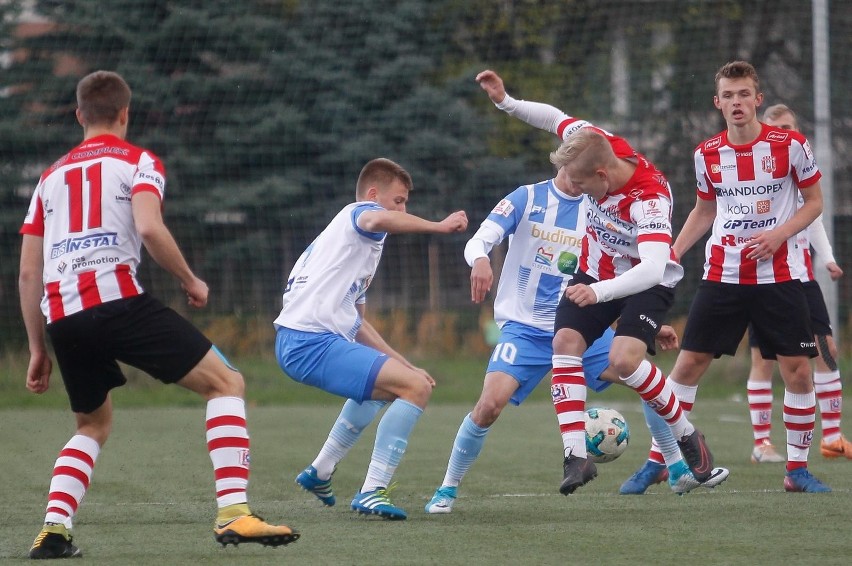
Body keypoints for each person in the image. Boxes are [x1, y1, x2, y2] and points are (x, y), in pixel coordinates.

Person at [19, 71, 298, 560]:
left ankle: (54, 530)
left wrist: (38, 348)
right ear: (125, 114)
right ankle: (234, 511)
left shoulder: (48, 179)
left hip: (63, 316)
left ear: (79, 114)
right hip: (118, 301)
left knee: (91, 426)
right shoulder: (138, 161)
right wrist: (190, 280)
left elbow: (28, 273)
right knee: (225, 382)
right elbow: (148, 226)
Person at [423, 161, 727, 513]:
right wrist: (479, 260)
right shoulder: (527, 198)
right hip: (525, 330)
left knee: (636, 371)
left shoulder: (597, 206)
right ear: (563, 161)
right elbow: (480, 239)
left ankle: (675, 468)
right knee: (489, 406)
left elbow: (619, 268)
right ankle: (446, 489)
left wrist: (647, 325)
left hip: (582, 328)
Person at [474, 70, 720, 496]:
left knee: (625, 360)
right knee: (565, 342)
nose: (575, 190)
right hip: (595, 271)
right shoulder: (592, 143)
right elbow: (555, 118)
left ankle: (686, 434)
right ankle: (575, 457)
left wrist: (600, 293)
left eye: (582, 184)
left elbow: (651, 268)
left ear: (604, 176)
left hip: (646, 279)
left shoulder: (650, 199)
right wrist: (506, 102)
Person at [626, 61, 830, 493]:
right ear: (717, 103)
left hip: (780, 277)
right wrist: (672, 253)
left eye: (744, 95)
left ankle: (796, 471)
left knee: (797, 372)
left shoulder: (791, 145)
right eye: (728, 96)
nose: (737, 103)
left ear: (757, 99)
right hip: (723, 275)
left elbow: (814, 203)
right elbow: (705, 210)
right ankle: (660, 460)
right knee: (685, 368)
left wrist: (778, 234)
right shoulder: (706, 153)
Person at [275, 158, 468, 520]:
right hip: (309, 342)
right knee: (416, 390)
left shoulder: (352, 252)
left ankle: (321, 471)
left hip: (304, 341)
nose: (403, 209)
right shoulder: (359, 214)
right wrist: (437, 226)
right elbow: (378, 218)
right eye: (399, 201)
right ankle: (372, 491)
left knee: (402, 384)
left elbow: (358, 326)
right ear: (374, 194)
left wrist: (406, 365)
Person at [745, 104, 849, 463]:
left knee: (827, 351)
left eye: (789, 126)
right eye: (777, 127)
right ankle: (762, 444)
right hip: (764, 279)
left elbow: (814, 216)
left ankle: (833, 437)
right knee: (763, 359)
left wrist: (829, 259)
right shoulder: (757, 176)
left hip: (800, 280)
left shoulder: (801, 169)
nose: (784, 132)